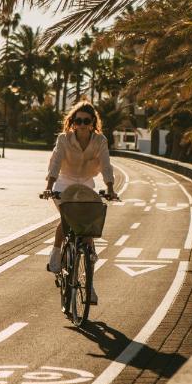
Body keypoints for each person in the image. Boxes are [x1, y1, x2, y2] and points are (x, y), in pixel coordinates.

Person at [43, 101, 118, 303]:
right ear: (72, 123)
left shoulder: (100, 140)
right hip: (64, 182)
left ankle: (89, 284)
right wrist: (49, 186)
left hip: (86, 182)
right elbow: (55, 162)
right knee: (67, 218)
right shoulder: (63, 139)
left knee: (87, 230)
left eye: (86, 121)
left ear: (93, 122)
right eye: (78, 121)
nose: (82, 124)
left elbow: (106, 165)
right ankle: (56, 253)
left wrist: (110, 188)